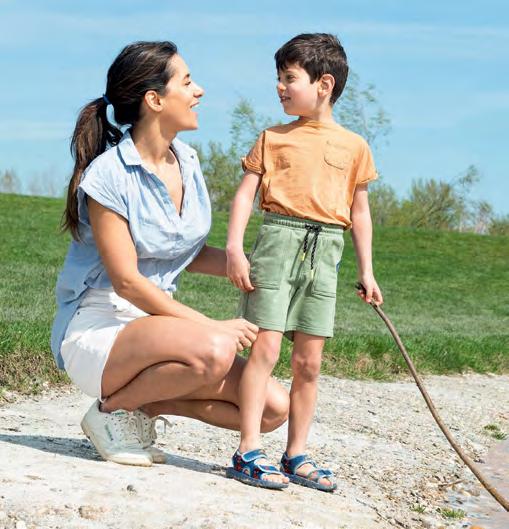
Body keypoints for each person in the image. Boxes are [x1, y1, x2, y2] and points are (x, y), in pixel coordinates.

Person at [50, 40, 289, 467]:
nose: (199, 91)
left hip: (158, 329)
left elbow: (183, 254)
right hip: (102, 327)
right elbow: (127, 281)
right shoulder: (108, 175)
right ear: (155, 100)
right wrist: (211, 325)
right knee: (215, 349)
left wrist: (267, 271)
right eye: (188, 81)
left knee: (272, 407)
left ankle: (142, 405)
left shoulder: (188, 161)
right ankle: (110, 411)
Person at [225, 33, 383, 491]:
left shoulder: (355, 146)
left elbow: (360, 213)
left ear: (324, 84)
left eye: (289, 78)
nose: (280, 86)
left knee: (309, 362)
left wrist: (367, 271)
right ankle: (248, 450)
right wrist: (234, 248)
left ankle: (295, 454)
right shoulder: (272, 138)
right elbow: (245, 196)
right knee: (265, 350)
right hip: (278, 242)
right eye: (279, 78)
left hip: (326, 251)